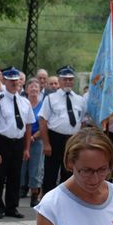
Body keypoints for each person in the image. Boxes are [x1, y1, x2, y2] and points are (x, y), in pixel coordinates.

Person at [0, 66, 35, 219]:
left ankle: (12, 207)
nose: (14, 84)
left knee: (15, 176)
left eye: (17, 81)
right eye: (11, 81)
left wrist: (26, 148)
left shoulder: (25, 102)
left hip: (18, 142)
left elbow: (28, 126)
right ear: (5, 81)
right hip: (3, 141)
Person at [39, 65, 85, 195]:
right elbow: (43, 121)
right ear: (59, 81)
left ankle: (67, 201)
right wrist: (46, 143)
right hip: (55, 138)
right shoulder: (50, 98)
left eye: (70, 79)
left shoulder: (79, 100)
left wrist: (79, 141)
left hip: (73, 140)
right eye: (65, 79)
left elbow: (82, 122)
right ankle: (48, 202)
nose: (68, 82)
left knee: (69, 172)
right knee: (51, 173)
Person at [21, 78, 45, 207]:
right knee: (22, 166)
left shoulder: (43, 105)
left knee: (36, 168)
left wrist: (33, 137)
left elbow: (45, 124)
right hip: (22, 140)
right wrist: (25, 137)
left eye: (36, 87)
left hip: (37, 140)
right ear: (26, 90)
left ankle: (34, 195)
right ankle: (21, 189)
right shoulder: (23, 103)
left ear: (40, 89)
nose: (34, 89)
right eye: (31, 87)